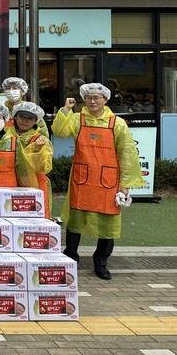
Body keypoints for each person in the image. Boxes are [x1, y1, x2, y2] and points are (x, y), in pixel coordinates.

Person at [51, 83, 144, 280]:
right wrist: (66, 109)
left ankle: (101, 262)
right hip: (81, 180)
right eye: (88, 97)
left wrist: (125, 185)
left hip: (108, 182)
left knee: (108, 224)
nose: (92, 101)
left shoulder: (117, 123)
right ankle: (71, 258)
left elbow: (127, 154)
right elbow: (59, 131)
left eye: (96, 97)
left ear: (105, 99)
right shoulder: (77, 119)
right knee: (75, 221)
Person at [11, 102, 54, 219]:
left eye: (29, 118)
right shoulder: (7, 136)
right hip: (11, 182)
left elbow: (44, 168)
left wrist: (37, 150)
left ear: (36, 121)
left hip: (36, 184)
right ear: (15, 117)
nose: (24, 120)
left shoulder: (41, 140)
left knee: (37, 218)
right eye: (21, 116)